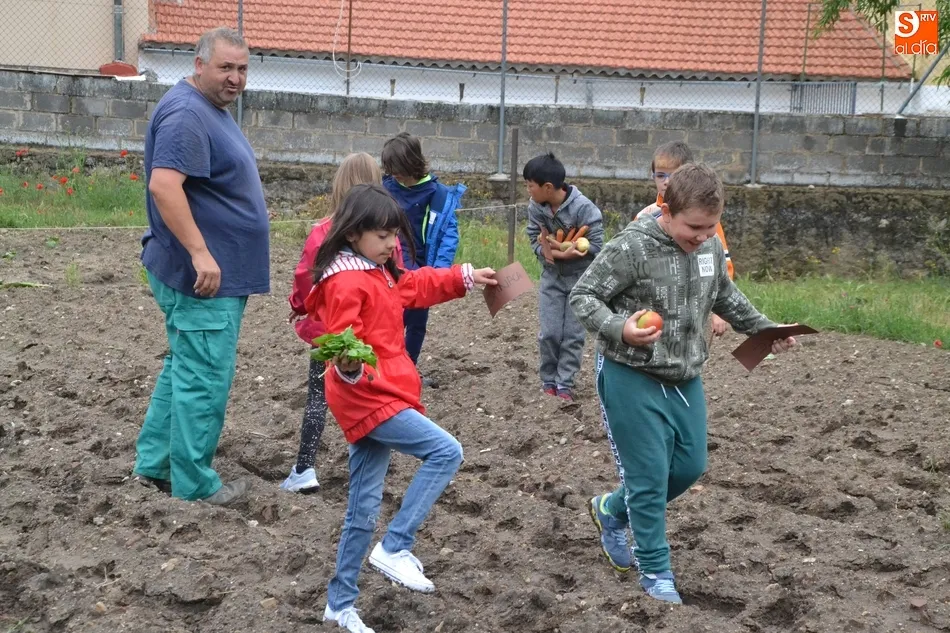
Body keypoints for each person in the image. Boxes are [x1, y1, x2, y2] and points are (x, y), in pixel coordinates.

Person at [570, 164, 797, 604]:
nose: (702, 235)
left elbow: (725, 297)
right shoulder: (632, 247)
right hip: (630, 374)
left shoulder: (710, 248)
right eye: (693, 226)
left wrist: (768, 330)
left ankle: (611, 509)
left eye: (710, 227)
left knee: (690, 467)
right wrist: (620, 327)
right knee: (650, 477)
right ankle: (656, 572)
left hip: (684, 375)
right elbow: (584, 295)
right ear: (667, 211)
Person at [305, 184, 496, 633]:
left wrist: (465, 276)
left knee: (363, 506)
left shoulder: (379, 271)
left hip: (376, 392)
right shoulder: (348, 281)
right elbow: (342, 342)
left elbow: (414, 285)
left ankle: (340, 604)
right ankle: (395, 546)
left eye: (394, 235)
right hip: (369, 395)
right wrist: (351, 367)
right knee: (446, 451)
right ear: (354, 234)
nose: (393, 244)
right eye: (383, 236)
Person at [132, 26, 268, 505]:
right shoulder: (188, 115)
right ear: (199, 64)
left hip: (211, 273)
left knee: (184, 367)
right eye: (225, 67)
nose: (235, 78)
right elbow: (164, 186)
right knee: (204, 375)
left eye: (242, 68)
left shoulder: (208, 109)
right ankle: (194, 484)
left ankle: (155, 463)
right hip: (203, 277)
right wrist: (200, 252)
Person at [281, 153, 385, 494]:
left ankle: (305, 469)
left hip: (330, 335)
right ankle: (368, 472)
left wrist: (298, 306)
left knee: (317, 399)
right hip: (369, 334)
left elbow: (305, 279)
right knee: (369, 399)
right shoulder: (384, 236)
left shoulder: (322, 232)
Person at [381, 132, 465, 388]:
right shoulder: (385, 188)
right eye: (389, 169)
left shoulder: (437, 194)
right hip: (390, 264)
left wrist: (439, 273)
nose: (394, 175)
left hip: (421, 266)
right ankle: (387, 368)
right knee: (391, 319)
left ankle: (407, 369)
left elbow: (449, 233)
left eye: (398, 170)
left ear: (412, 164)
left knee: (416, 323)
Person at [524, 152, 603, 402]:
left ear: (548, 187)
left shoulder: (584, 209)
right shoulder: (535, 208)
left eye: (530, 185)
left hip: (581, 281)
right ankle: (548, 378)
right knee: (549, 332)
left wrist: (573, 253)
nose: (528, 190)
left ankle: (565, 383)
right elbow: (532, 236)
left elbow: (598, 245)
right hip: (551, 278)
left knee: (573, 335)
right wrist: (547, 251)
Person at [636, 141, 734, 337]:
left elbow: (721, 267)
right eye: (660, 175)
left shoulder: (705, 222)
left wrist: (719, 311)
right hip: (653, 309)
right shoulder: (644, 217)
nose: (666, 182)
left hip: (694, 308)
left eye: (674, 175)